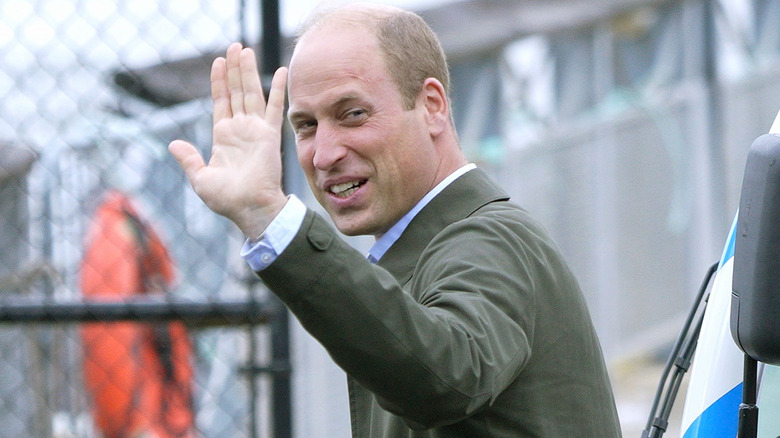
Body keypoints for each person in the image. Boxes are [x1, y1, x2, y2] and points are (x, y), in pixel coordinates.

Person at [169, 3, 622, 437]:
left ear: (431, 106)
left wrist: (271, 217)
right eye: (306, 126)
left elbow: (444, 380)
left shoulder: (491, 239)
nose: (324, 154)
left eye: (353, 114)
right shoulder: (436, 244)